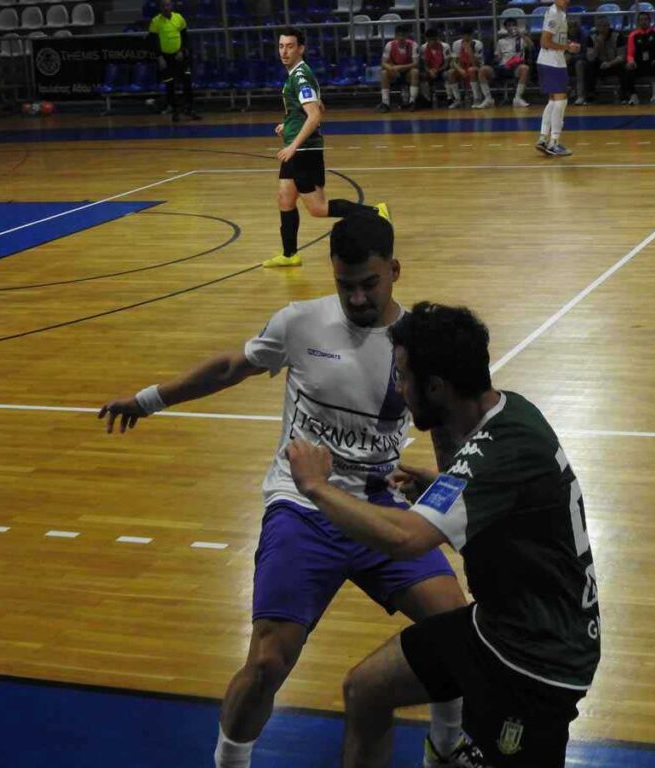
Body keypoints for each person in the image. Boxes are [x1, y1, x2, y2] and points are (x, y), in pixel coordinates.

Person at [98, 216, 483, 768]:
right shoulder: (301, 323)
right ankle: (231, 760)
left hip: (378, 506)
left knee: (454, 628)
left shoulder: (420, 343)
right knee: (267, 663)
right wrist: (149, 399)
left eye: (369, 283)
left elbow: (448, 435)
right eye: (345, 283)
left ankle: (446, 749)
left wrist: (446, 502)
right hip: (302, 506)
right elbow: (233, 365)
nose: (356, 296)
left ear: (394, 272)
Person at [284, 302, 602, 768]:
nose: (397, 387)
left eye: (403, 376)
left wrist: (315, 486)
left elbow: (403, 539)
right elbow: (492, 494)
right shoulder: (508, 412)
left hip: (539, 660)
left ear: (435, 388)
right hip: (497, 628)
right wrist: (438, 488)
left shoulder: (498, 452)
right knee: (366, 689)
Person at [265, 28, 382, 269]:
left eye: (289, 46)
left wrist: (293, 145)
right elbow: (318, 105)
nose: (284, 51)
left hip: (303, 151)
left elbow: (315, 115)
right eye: (281, 46)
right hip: (297, 148)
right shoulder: (296, 74)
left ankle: (373, 213)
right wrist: (287, 125)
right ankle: (290, 255)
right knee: (285, 199)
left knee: (318, 208)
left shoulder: (300, 76)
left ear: (301, 49)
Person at [536, 0, 581, 157]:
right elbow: (545, 41)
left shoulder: (559, 12)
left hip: (551, 61)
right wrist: (568, 47)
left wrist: (567, 43)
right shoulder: (555, 13)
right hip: (552, 62)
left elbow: (554, 39)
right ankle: (554, 142)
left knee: (553, 101)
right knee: (561, 101)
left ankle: (543, 138)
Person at [148, 0, 199, 122]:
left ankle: (190, 109)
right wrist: (159, 57)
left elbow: (185, 37)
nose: (166, 7)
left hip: (180, 57)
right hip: (166, 59)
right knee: (170, 85)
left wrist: (182, 50)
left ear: (171, 6)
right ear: (160, 7)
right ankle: (175, 111)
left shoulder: (179, 18)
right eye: (163, 5)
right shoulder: (155, 21)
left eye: (168, 5)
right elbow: (152, 42)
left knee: (187, 83)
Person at [623, 11, 655, 105]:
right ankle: (633, 96)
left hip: (653, 63)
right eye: (641, 20)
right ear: (638, 22)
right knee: (628, 69)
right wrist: (631, 61)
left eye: (646, 19)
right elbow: (630, 53)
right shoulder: (633, 35)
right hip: (639, 64)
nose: (643, 22)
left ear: (650, 21)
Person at [575, 17, 624, 105]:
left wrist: (610, 63)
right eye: (599, 26)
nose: (602, 29)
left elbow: (621, 56)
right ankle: (590, 94)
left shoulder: (617, 36)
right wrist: (597, 46)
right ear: (596, 27)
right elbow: (590, 57)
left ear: (609, 26)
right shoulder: (591, 37)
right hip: (599, 65)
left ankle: (625, 94)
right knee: (588, 66)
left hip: (614, 63)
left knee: (624, 66)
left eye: (605, 26)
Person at [378, 24, 420, 113]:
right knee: (384, 73)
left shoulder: (413, 45)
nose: (401, 38)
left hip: (407, 71)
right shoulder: (389, 45)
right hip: (395, 72)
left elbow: (416, 63)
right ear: (395, 36)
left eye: (403, 35)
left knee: (415, 71)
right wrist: (391, 68)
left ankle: (412, 102)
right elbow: (383, 63)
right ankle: (385, 103)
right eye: (399, 35)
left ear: (407, 35)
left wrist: (401, 67)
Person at [449, 28, 494, 109]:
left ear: (471, 35)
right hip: (462, 67)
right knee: (451, 73)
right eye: (464, 35)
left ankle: (477, 99)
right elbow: (453, 62)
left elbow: (475, 63)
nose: (466, 37)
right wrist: (460, 70)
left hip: (477, 67)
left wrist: (469, 50)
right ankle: (457, 100)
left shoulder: (477, 44)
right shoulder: (456, 44)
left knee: (471, 70)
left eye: (468, 35)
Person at [493, 18, 532, 107]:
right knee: (487, 70)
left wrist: (521, 34)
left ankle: (517, 98)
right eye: (509, 26)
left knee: (525, 68)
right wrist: (497, 60)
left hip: (516, 67)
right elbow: (497, 58)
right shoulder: (501, 41)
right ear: (506, 28)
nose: (511, 28)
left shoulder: (521, 40)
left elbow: (531, 46)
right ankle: (487, 99)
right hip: (503, 67)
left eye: (513, 25)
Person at [419, 27, 451, 107]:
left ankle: (450, 98)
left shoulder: (445, 46)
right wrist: (430, 71)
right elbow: (424, 64)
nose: (432, 42)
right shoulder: (423, 48)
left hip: (442, 69)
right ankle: (427, 99)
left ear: (437, 38)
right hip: (430, 70)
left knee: (447, 75)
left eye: (433, 39)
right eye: (429, 40)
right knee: (423, 76)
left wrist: (437, 70)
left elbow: (446, 64)